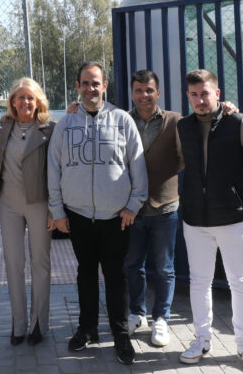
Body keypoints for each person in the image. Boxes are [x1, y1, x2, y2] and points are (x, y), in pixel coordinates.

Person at [47, 62, 147, 365]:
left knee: (116, 276)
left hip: (116, 216)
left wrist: (134, 204)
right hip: (77, 215)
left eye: (96, 83)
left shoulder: (122, 121)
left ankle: (121, 336)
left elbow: (137, 165)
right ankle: (87, 329)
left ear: (105, 86)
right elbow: (53, 167)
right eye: (85, 83)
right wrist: (57, 209)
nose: (91, 88)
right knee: (85, 274)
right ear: (77, 86)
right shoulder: (65, 124)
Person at [177, 69, 243, 374]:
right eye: (193, 94)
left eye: (205, 93)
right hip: (195, 219)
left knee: (241, 283)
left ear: (217, 94)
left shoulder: (240, 123)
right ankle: (202, 339)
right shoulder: (182, 127)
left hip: (235, 218)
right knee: (199, 282)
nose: (199, 100)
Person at [123, 70, 184, 348]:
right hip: (130, 209)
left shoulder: (174, 121)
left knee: (164, 268)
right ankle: (137, 313)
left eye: (149, 90)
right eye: (138, 90)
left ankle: (161, 318)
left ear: (158, 93)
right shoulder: (122, 120)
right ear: (132, 93)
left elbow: (183, 158)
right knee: (132, 264)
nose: (144, 95)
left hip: (164, 207)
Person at [0, 77, 54, 347]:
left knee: (40, 265)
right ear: (12, 101)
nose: (25, 102)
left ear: (38, 100)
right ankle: (18, 325)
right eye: (20, 97)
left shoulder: (50, 129)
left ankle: (39, 325)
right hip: (8, 204)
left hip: (39, 203)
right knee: (13, 264)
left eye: (30, 97)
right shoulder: (3, 126)